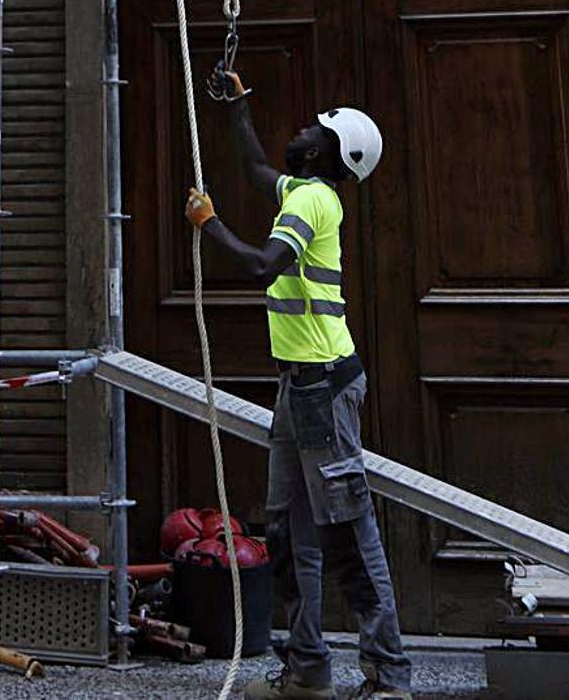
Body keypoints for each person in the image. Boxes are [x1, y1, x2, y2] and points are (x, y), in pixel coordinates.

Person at [184, 65, 412, 700]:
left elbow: (263, 265)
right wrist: (238, 108)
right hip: (299, 388)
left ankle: (389, 679)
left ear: (329, 150)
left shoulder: (313, 200)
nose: (303, 130)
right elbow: (259, 172)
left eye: (316, 127)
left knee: (346, 536)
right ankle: (306, 669)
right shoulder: (303, 190)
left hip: (322, 388)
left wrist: (207, 224)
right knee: (287, 531)